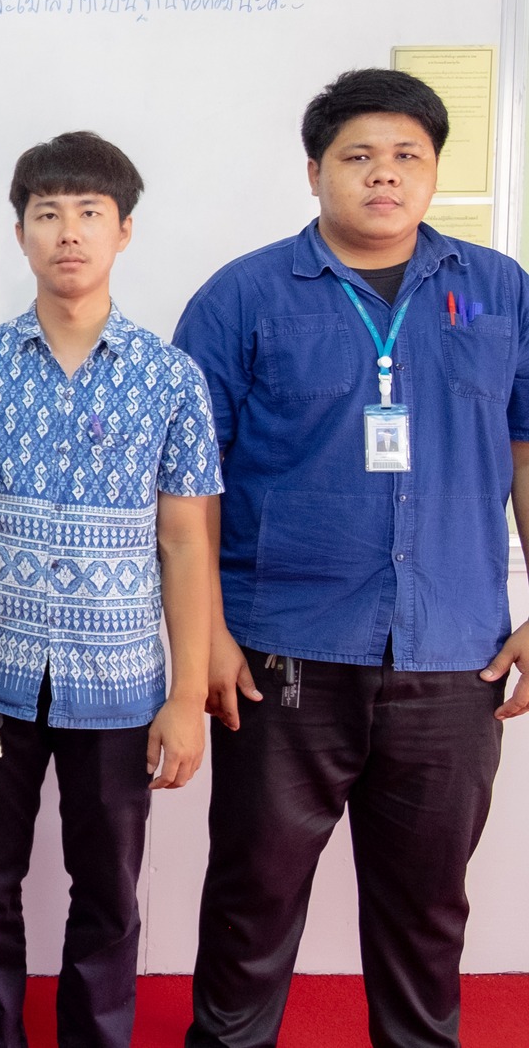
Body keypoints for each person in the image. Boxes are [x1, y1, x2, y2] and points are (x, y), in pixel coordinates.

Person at [175, 68, 529, 1048]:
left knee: (426, 914)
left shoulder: (498, 290)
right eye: (357, 156)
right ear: (312, 170)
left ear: (432, 173)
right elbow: (186, 488)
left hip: (451, 656)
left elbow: (523, 449)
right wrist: (202, 635)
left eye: (406, 155)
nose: (383, 174)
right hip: (280, 656)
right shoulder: (240, 297)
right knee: (250, 901)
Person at [0, 132, 221, 1048]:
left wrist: (186, 695)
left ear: (125, 230)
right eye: (49, 213)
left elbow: (185, 542)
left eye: (90, 213)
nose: (69, 232)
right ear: (21, 231)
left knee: (108, 887)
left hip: (119, 679)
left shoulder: (170, 377)